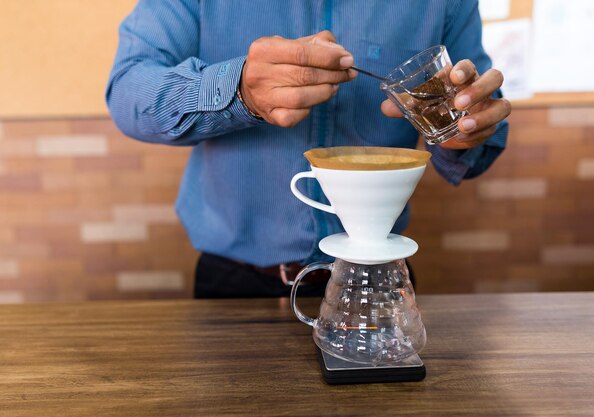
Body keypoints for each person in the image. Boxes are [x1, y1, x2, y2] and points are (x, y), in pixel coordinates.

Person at [106, 0, 511, 298]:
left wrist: (463, 131)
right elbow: (128, 93)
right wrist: (240, 90)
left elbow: (476, 126)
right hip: (233, 283)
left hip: (378, 281)